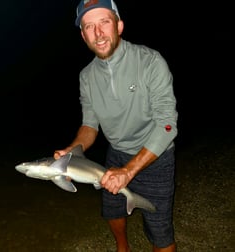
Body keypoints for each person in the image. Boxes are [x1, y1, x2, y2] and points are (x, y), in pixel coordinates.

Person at [54, 0, 178, 251]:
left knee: (160, 232)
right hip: (116, 154)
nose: (98, 33)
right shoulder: (86, 77)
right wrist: (72, 149)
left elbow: (167, 124)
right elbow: (90, 125)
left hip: (156, 156)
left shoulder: (150, 62)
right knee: (112, 211)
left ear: (119, 26)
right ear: (83, 35)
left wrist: (129, 171)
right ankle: (123, 247)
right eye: (89, 26)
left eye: (104, 22)